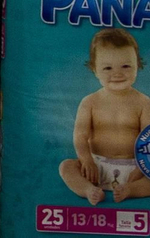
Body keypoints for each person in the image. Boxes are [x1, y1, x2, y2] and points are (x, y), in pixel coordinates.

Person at [61, 29, 150, 204]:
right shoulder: (90, 102)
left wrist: (141, 169)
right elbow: (80, 136)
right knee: (67, 166)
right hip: (96, 167)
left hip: (135, 166)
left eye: (126, 66)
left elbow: (148, 140)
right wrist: (86, 160)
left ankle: (130, 190)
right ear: (95, 70)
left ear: (137, 65)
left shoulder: (144, 103)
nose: (117, 74)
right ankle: (89, 190)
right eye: (108, 68)